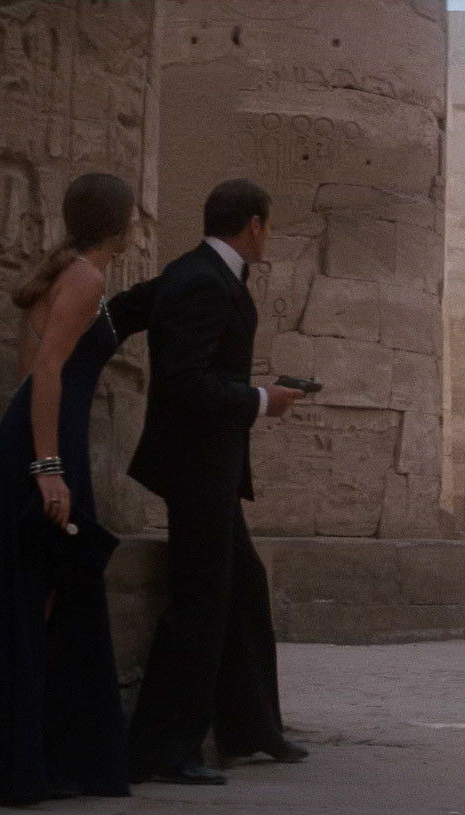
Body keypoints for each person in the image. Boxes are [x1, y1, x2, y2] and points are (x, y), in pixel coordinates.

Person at [0, 173, 160, 804]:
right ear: (120, 225)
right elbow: (45, 371)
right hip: (44, 446)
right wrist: (47, 465)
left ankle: (26, 760)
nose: (138, 225)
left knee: (42, 593)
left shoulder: (71, 273)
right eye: (133, 216)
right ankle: (17, 765)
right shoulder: (85, 278)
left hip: (36, 437)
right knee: (41, 592)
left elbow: (30, 369)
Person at [126, 179, 307, 786]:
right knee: (200, 598)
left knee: (244, 584)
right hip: (196, 465)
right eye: (268, 226)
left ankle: (251, 727)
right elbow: (184, 381)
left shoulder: (198, 272)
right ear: (254, 224)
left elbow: (128, 308)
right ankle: (161, 748)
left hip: (210, 467)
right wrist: (261, 400)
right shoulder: (202, 280)